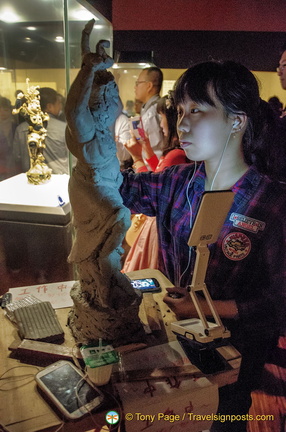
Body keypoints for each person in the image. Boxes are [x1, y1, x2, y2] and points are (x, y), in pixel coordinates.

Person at [120, 60, 285, 432]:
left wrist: (211, 306)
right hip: (179, 345)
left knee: (224, 420)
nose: (183, 123)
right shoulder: (177, 181)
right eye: (180, 111)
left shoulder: (272, 203)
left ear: (237, 121)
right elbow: (117, 188)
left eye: (197, 110)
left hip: (238, 356)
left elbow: (277, 302)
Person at [122, 93, 189, 272]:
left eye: (162, 118)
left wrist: (137, 157)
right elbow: (158, 171)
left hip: (156, 228)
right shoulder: (176, 153)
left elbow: (155, 186)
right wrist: (146, 148)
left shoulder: (177, 155)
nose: (160, 124)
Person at [13, 87, 69, 174]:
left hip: (30, 178)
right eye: (59, 103)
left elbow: (17, 157)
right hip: (58, 179)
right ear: (49, 106)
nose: (60, 106)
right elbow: (73, 161)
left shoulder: (21, 129)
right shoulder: (64, 128)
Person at [135, 66, 164, 162]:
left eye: (138, 83)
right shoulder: (149, 109)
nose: (135, 87)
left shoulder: (153, 113)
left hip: (151, 171)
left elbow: (156, 150)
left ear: (149, 86)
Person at [0, 96, 17, 180]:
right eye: (0, 109)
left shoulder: (17, 128)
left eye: (5, 110)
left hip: (16, 171)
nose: (2, 112)